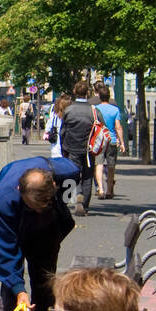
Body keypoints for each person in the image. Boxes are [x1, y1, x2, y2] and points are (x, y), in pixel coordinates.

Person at [0, 156, 80, 311]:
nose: (37, 209)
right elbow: (6, 252)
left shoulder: (67, 173)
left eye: (42, 206)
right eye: (33, 206)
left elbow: (72, 185)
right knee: (11, 292)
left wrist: (61, 201)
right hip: (9, 228)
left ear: (53, 185)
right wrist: (19, 289)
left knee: (44, 283)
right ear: (20, 190)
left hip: (44, 229)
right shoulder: (3, 202)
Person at [61, 80, 106, 216]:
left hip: (72, 148)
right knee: (87, 177)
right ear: (88, 93)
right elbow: (101, 130)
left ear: (74, 92)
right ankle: (85, 205)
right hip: (89, 150)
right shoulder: (94, 111)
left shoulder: (69, 110)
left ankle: (73, 197)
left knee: (71, 175)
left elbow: (63, 131)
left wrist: (64, 147)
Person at [92, 83, 126, 199]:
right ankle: (109, 190)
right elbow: (118, 126)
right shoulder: (115, 109)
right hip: (111, 139)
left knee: (99, 164)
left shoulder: (95, 109)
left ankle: (100, 189)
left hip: (99, 141)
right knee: (111, 166)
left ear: (100, 97)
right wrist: (122, 142)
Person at [43, 93, 71, 159]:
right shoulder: (70, 115)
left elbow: (49, 124)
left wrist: (46, 132)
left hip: (57, 144)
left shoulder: (54, 114)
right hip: (68, 144)